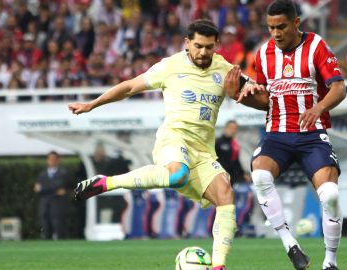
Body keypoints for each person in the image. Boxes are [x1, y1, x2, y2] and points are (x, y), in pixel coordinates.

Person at [68, 19, 264, 270]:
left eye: (209, 47)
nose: (204, 52)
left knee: (226, 195)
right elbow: (129, 87)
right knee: (177, 175)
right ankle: (106, 182)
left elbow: (252, 92)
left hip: (203, 152)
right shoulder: (169, 67)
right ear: (187, 43)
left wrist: (253, 88)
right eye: (198, 46)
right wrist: (92, 104)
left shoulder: (225, 68)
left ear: (216, 46)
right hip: (174, 138)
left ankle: (218, 266)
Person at [229, 1, 346, 269]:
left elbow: (338, 88)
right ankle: (290, 244)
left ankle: (330, 262)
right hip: (277, 134)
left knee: (330, 195)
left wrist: (318, 108)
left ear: (295, 23)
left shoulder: (316, 46)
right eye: (271, 28)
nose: (276, 33)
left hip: (312, 134)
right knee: (259, 174)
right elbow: (267, 101)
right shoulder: (262, 55)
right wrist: (241, 95)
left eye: (281, 26)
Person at [33, 151, 69, 240]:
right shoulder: (42, 174)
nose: (52, 161)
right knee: (45, 226)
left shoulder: (63, 173)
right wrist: (54, 190)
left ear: (58, 160)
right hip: (45, 204)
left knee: (58, 226)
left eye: (54, 159)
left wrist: (43, 189)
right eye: (50, 159)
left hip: (57, 204)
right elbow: (39, 189)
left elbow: (60, 185)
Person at [215, 120, 249, 185]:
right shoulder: (217, 142)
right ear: (225, 128)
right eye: (230, 127)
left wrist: (244, 173)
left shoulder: (235, 144)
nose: (232, 130)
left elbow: (236, 161)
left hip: (233, 178)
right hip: (220, 176)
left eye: (235, 128)